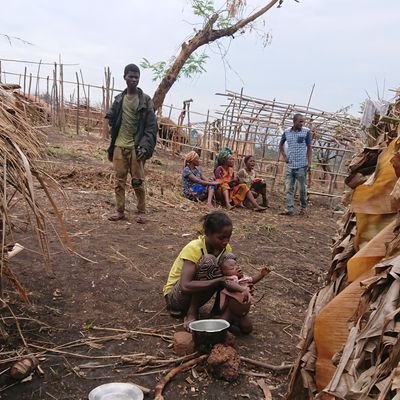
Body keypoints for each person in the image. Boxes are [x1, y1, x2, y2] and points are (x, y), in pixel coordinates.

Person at [105, 63, 158, 221]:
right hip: (119, 146)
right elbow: (113, 119)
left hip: (136, 147)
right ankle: (120, 211)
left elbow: (151, 127)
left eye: (136, 77)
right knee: (119, 181)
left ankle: (141, 212)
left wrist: (145, 146)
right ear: (125, 78)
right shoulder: (119, 100)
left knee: (137, 181)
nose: (133, 80)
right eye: (131, 76)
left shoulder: (145, 101)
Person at [163, 212, 233, 329]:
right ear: (207, 234)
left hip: (198, 296)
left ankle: (217, 311)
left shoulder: (225, 248)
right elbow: (185, 286)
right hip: (176, 298)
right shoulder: (194, 248)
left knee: (228, 259)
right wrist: (219, 280)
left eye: (228, 237)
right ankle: (191, 312)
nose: (225, 241)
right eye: (221, 238)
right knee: (208, 260)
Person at [218, 253, 270, 334]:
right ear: (224, 272)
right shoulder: (229, 279)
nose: (237, 267)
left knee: (247, 329)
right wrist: (242, 289)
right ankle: (223, 327)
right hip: (230, 310)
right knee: (221, 326)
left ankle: (234, 324)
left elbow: (252, 280)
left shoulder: (244, 278)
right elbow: (229, 285)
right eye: (232, 267)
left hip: (243, 313)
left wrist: (261, 275)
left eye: (237, 265)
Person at [279, 113, 312, 216]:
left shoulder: (306, 132)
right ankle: (290, 208)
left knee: (302, 189)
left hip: (302, 165)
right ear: (294, 121)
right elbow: (281, 145)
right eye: (300, 121)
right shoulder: (287, 132)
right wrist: (284, 156)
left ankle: (303, 207)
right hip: (290, 165)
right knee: (289, 188)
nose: (302, 123)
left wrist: (309, 162)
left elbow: (309, 148)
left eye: (303, 121)